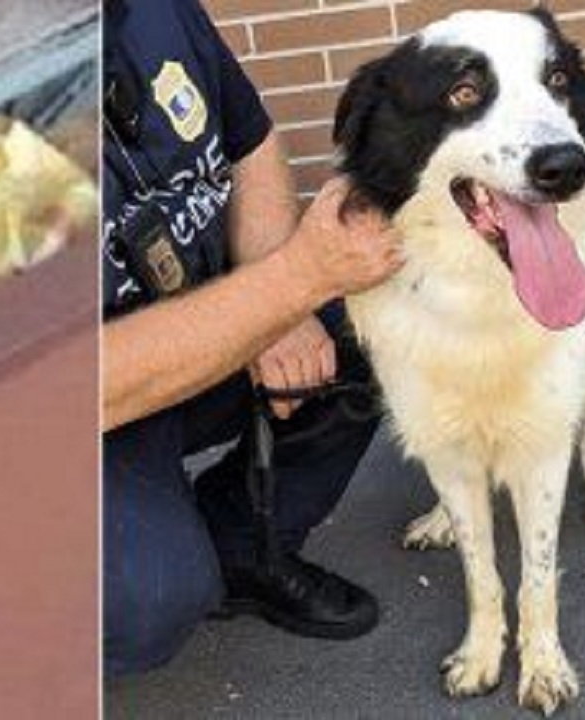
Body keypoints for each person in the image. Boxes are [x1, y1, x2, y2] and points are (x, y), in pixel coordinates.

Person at [101, 0, 404, 675]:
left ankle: (243, 546)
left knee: (388, 329)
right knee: (146, 600)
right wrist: (285, 288)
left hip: (211, 319)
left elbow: (251, 143)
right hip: (79, 417)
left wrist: (278, 299)